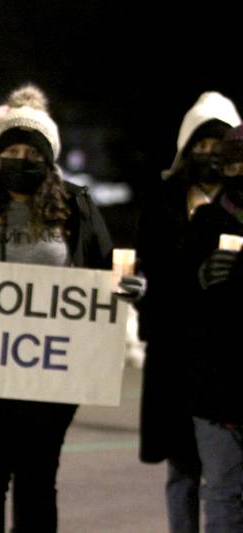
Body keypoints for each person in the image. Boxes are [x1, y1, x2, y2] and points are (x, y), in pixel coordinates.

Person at [0, 84, 133, 532]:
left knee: (37, 478)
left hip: (52, 375)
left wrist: (130, 286)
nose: (21, 159)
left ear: (48, 158)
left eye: (32, 153)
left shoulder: (77, 206)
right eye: (10, 150)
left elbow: (108, 275)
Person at [134, 91, 240, 533]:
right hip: (171, 352)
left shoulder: (236, 206)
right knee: (182, 466)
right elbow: (148, 266)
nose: (209, 154)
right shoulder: (163, 202)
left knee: (225, 477)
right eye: (200, 143)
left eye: (219, 144)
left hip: (220, 355)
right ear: (186, 148)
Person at [181, 123, 243, 532]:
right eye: (230, 162)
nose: (235, 170)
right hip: (218, 387)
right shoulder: (205, 222)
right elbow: (177, 300)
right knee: (222, 493)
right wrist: (198, 279)